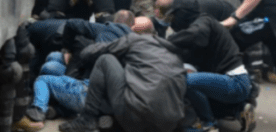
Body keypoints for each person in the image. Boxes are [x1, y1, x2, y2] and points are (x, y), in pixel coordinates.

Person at [58, 33, 186, 132]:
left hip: (134, 116)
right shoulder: (176, 57)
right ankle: (114, 123)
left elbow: (89, 52)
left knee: (105, 60)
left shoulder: (136, 39)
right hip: (167, 125)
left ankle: (87, 119)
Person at [166, 0, 255, 132]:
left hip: (236, 82)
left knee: (185, 81)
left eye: (174, 15)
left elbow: (196, 34)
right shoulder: (201, 27)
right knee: (196, 89)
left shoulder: (204, 21)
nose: (173, 20)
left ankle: (209, 124)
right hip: (233, 83)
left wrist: (164, 42)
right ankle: (240, 110)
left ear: (182, 13)